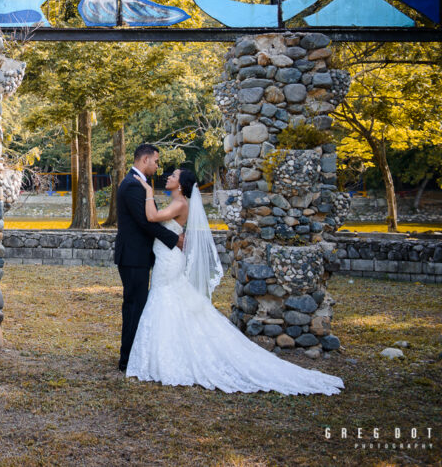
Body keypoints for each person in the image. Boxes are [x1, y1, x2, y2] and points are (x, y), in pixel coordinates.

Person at [125, 167, 345, 395]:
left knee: (166, 299)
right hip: (165, 258)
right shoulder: (176, 202)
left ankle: (167, 357)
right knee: (169, 301)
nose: (169, 176)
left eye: (174, 175)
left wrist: (148, 190)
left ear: (180, 185)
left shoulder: (180, 204)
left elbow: (151, 217)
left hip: (169, 261)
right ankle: (164, 354)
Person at [113, 144, 182, 373]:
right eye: (156, 161)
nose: (157, 166)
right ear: (144, 160)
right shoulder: (132, 185)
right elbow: (145, 222)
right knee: (134, 307)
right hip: (133, 257)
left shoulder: (139, 183)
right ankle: (127, 360)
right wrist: (174, 239)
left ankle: (133, 355)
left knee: (137, 307)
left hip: (138, 256)